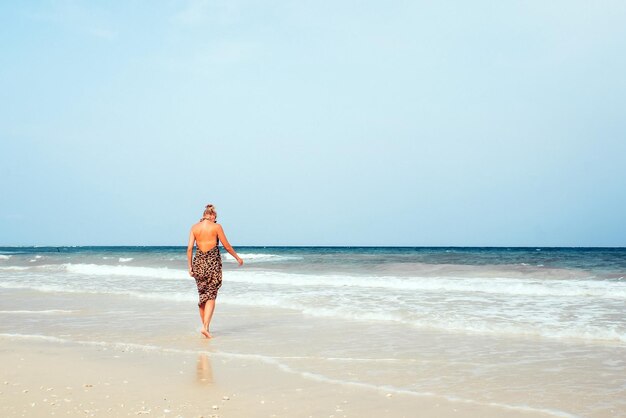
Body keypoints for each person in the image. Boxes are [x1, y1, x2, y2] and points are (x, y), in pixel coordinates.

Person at [187, 204, 243, 338]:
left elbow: (189, 249)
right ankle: (205, 327)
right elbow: (227, 246)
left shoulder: (194, 228)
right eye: (215, 218)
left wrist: (190, 267)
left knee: (202, 297)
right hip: (213, 264)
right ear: (212, 216)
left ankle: (206, 328)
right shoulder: (216, 227)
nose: (215, 220)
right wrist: (237, 258)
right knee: (211, 295)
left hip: (198, 264)